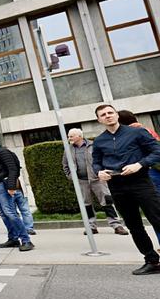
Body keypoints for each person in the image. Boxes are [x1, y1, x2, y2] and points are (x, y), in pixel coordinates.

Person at [92, 104, 160, 275]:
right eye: (103, 114)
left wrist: (140, 164)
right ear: (99, 120)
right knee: (134, 226)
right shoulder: (99, 141)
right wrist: (99, 172)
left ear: (116, 115)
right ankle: (152, 261)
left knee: (157, 218)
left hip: (141, 182)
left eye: (110, 112)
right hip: (117, 186)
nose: (108, 116)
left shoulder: (137, 132)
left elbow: (157, 151)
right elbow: (96, 162)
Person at [61, 128, 128, 235]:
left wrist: (103, 173)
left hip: (97, 179)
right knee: (86, 204)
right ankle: (91, 226)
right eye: (69, 136)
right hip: (81, 181)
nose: (69, 138)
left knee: (107, 201)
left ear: (79, 136)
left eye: (71, 136)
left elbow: (103, 159)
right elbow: (65, 165)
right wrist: (70, 176)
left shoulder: (93, 145)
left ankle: (116, 225)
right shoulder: (68, 149)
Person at [0, 131, 34, 251]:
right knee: (3, 214)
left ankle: (26, 240)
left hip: (2, 186)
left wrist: (11, 187)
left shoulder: (3, 152)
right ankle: (13, 238)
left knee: (10, 212)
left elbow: (13, 169)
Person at [117, 111, 160, 241]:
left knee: (155, 211)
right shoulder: (147, 130)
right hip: (154, 170)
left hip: (151, 172)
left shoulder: (134, 133)